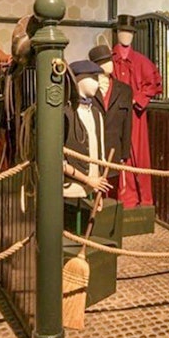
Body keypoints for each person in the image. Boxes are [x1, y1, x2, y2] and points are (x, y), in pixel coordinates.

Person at [108, 15, 162, 209]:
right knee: (114, 155)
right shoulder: (108, 59)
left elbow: (154, 84)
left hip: (136, 116)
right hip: (113, 116)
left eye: (130, 32)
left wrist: (136, 99)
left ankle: (142, 200)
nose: (126, 36)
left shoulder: (141, 61)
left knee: (138, 156)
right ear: (117, 33)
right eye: (123, 31)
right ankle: (115, 200)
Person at [63, 60, 112, 233]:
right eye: (93, 77)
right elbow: (57, 160)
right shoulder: (65, 115)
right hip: (70, 190)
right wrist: (87, 180)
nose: (97, 83)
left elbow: (101, 156)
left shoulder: (97, 114)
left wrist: (97, 187)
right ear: (80, 80)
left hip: (92, 188)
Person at [89, 43, 134, 195]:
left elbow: (127, 123)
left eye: (110, 60)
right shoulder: (88, 89)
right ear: (96, 65)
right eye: (104, 61)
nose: (110, 64)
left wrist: (124, 154)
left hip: (114, 151)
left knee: (112, 196)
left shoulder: (125, 91)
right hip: (91, 152)